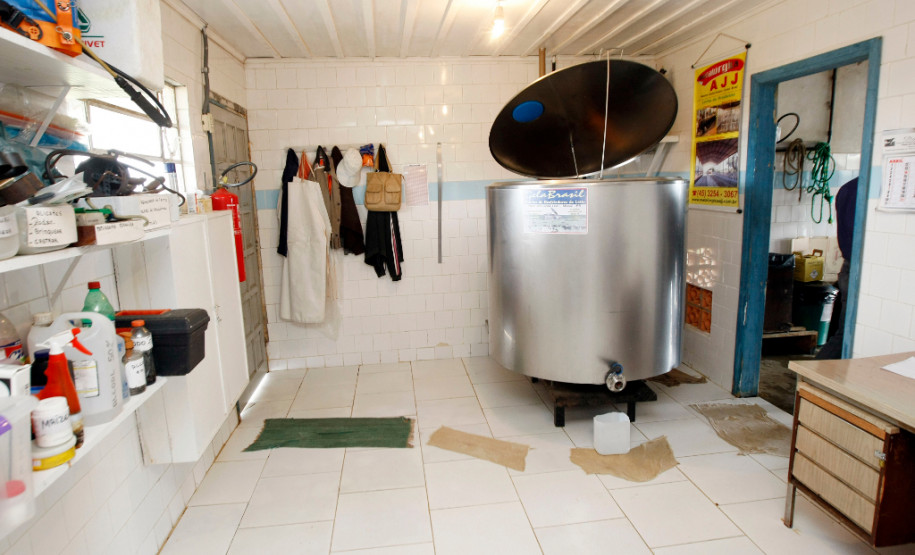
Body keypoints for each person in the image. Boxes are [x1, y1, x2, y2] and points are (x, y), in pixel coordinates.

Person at [816, 177, 857, 359]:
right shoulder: (862, 191)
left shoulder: (848, 188)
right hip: (856, 269)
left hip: (848, 266)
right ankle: (810, 380)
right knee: (847, 335)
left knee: (844, 332)